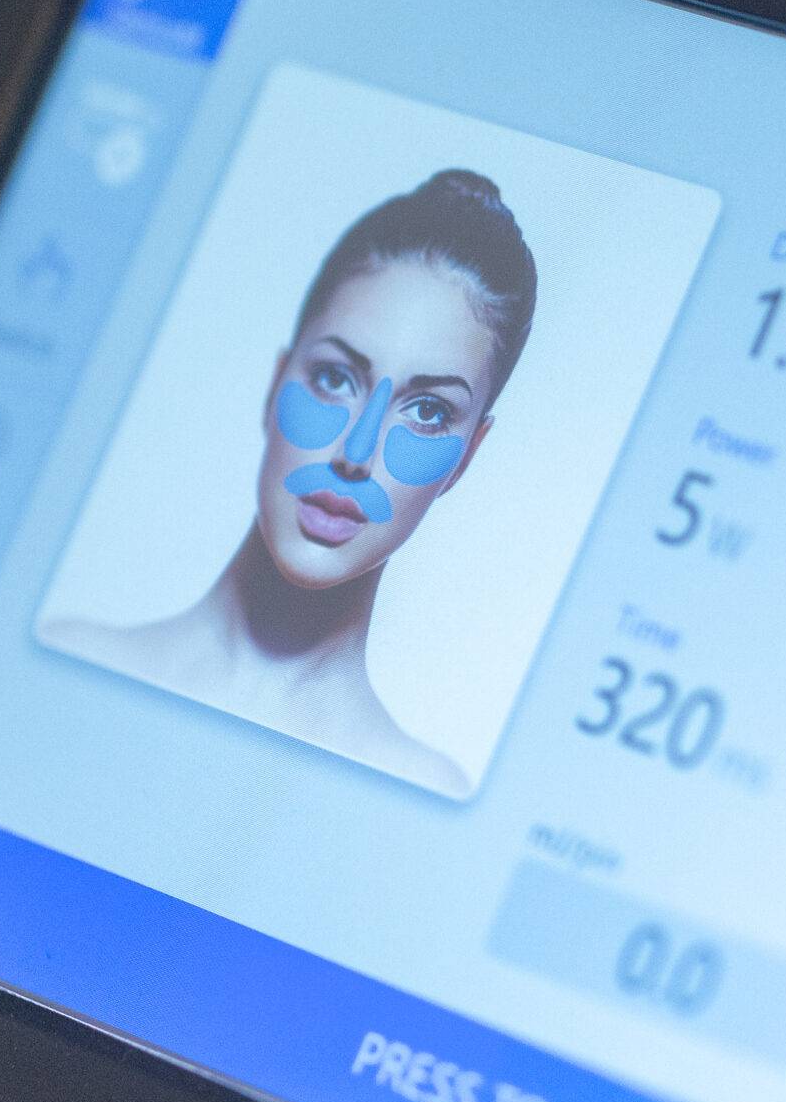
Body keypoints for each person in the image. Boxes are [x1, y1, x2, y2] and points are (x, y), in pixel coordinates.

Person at [44, 169, 537, 794]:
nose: (357, 453)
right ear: (277, 383)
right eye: (336, 378)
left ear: (464, 460)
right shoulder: (68, 659)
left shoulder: (421, 788)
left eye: (429, 412)